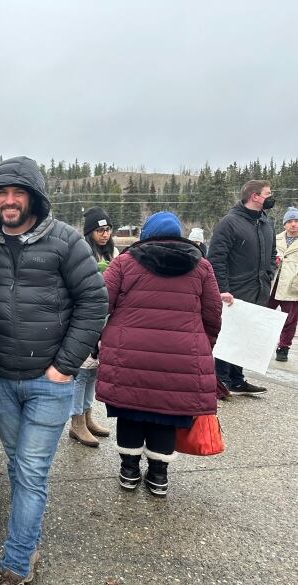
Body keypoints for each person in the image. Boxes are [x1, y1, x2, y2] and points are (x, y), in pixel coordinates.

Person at [0, 157, 107, 584]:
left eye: (18, 193)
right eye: (2, 193)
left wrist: (64, 367)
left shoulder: (67, 241)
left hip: (48, 382)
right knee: (17, 465)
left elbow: (94, 303)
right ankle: (29, 537)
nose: (9, 201)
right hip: (0, 376)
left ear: (34, 197)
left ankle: (17, 560)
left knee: (31, 472)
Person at [97, 212, 222, 497]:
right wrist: (202, 347)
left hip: (129, 355)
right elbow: (213, 316)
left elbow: (100, 303)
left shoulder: (124, 263)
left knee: (130, 411)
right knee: (166, 414)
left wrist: (96, 341)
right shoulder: (202, 267)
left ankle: (129, 471)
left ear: (145, 235)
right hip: (180, 357)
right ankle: (158, 476)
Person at [207, 180, 276, 395]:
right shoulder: (229, 222)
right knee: (228, 337)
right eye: (268, 193)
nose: (271, 196)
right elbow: (216, 258)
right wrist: (222, 288)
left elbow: (272, 253)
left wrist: (269, 273)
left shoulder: (266, 222)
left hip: (259, 289)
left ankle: (237, 379)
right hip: (234, 291)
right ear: (255, 196)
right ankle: (221, 381)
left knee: (245, 337)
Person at [67, 207, 118, 448]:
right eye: (99, 230)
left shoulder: (113, 253)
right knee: (81, 372)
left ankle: (87, 416)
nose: (105, 234)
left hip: (106, 319)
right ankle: (76, 422)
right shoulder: (81, 253)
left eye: (107, 230)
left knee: (94, 372)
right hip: (85, 318)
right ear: (90, 232)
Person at [269, 207, 298, 361]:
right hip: (272, 284)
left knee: (290, 320)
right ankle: (261, 343)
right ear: (284, 224)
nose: (293, 224)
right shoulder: (276, 238)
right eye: (290, 221)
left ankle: (283, 348)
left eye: (296, 221)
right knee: (265, 314)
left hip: (292, 287)